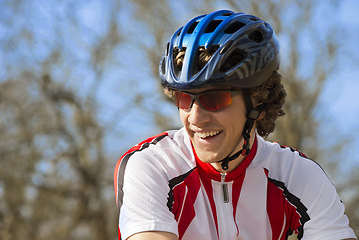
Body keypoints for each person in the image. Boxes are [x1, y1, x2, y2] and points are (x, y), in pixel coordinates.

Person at [114, 10, 357, 240]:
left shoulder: (297, 175)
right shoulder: (152, 166)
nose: (195, 118)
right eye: (184, 98)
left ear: (258, 102)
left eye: (215, 99)